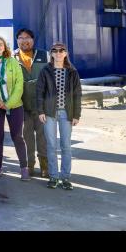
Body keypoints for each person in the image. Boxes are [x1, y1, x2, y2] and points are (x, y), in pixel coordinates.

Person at [37, 42, 82, 190]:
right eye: (55, 51)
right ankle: (53, 177)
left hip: (66, 113)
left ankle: (65, 178)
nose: (58, 53)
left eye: (61, 50)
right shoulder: (45, 71)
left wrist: (76, 114)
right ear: (51, 54)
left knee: (66, 146)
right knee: (51, 145)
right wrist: (41, 111)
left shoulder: (72, 72)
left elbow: (77, 95)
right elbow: (40, 93)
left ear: (65, 53)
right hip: (49, 113)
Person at [0, 36, 28, 180]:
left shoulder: (12, 62)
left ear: (5, 47)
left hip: (15, 105)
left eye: (0, 44)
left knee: (17, 136)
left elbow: (19, 84)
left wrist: (9, 103)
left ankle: (24, 167)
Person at [14, 28, 50, 178]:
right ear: (17, 41)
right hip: (22, 105)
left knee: (43, 137)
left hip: (42, 106)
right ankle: (29, 165)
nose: (24, 40)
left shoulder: (44, 55)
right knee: (26, 136)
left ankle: (45, 165)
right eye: (21, 38)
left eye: (27, 37)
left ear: (33, 40)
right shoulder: (12, 57)